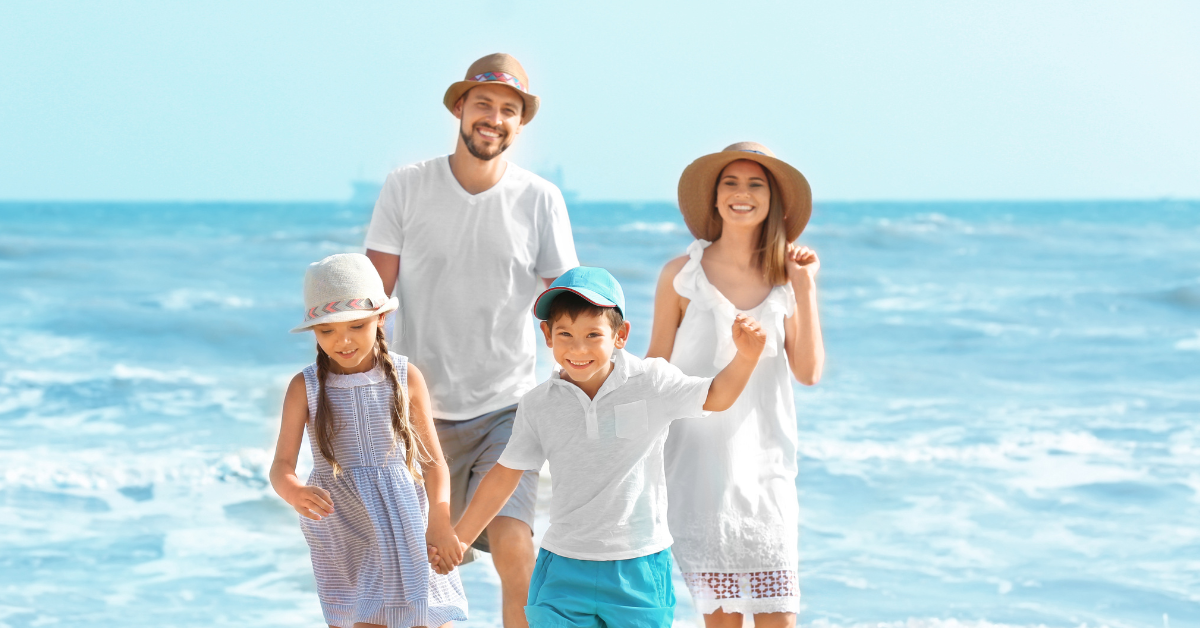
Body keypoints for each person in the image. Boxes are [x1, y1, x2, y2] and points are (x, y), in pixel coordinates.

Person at [363, 53, 578, 628]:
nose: (495, 117)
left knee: (515, 552)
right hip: (414, 412)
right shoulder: (406, 187)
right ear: (460, 107)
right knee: (400, 569)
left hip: (506, 410)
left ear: (520, 123)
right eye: (484, 103)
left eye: (509, 109)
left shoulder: (540, 199)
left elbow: (566, 302)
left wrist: (589, 384)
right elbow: (372, 298)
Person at [431, 266, 768, 628]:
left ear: (620, 335)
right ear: (547, 335)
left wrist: (746, 357)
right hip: (563, 565)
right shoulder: (539, 403)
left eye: (593, 335)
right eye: (565, 334)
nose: (578, 349)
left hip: (637, 566)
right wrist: (460, 538)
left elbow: (716, 396)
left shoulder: (651, 382)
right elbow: (506, 473)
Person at [646, 142, 825, 628]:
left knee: (779, 617)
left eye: (755, 184)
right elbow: (654, 371)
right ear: (714, 197)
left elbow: (808, 372)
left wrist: (805, 287)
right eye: (730, 183)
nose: (741, 194)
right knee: (722, 622)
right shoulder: (681, 277)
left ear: (773, 200)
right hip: (698, 465)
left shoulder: (788, 282)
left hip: (767, 462)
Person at [269, 253, 468, 628]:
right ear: (314, 331)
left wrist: (440, 517)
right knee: (362, 620)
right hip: (344, 527)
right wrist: (294, 491)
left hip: (404, 519)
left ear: (380, 319)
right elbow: (281, 466)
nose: (342, 341)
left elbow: (433, 462)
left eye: (356, 326)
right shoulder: (305, 387)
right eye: (327, 331)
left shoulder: (406, 377)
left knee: (426, 620)